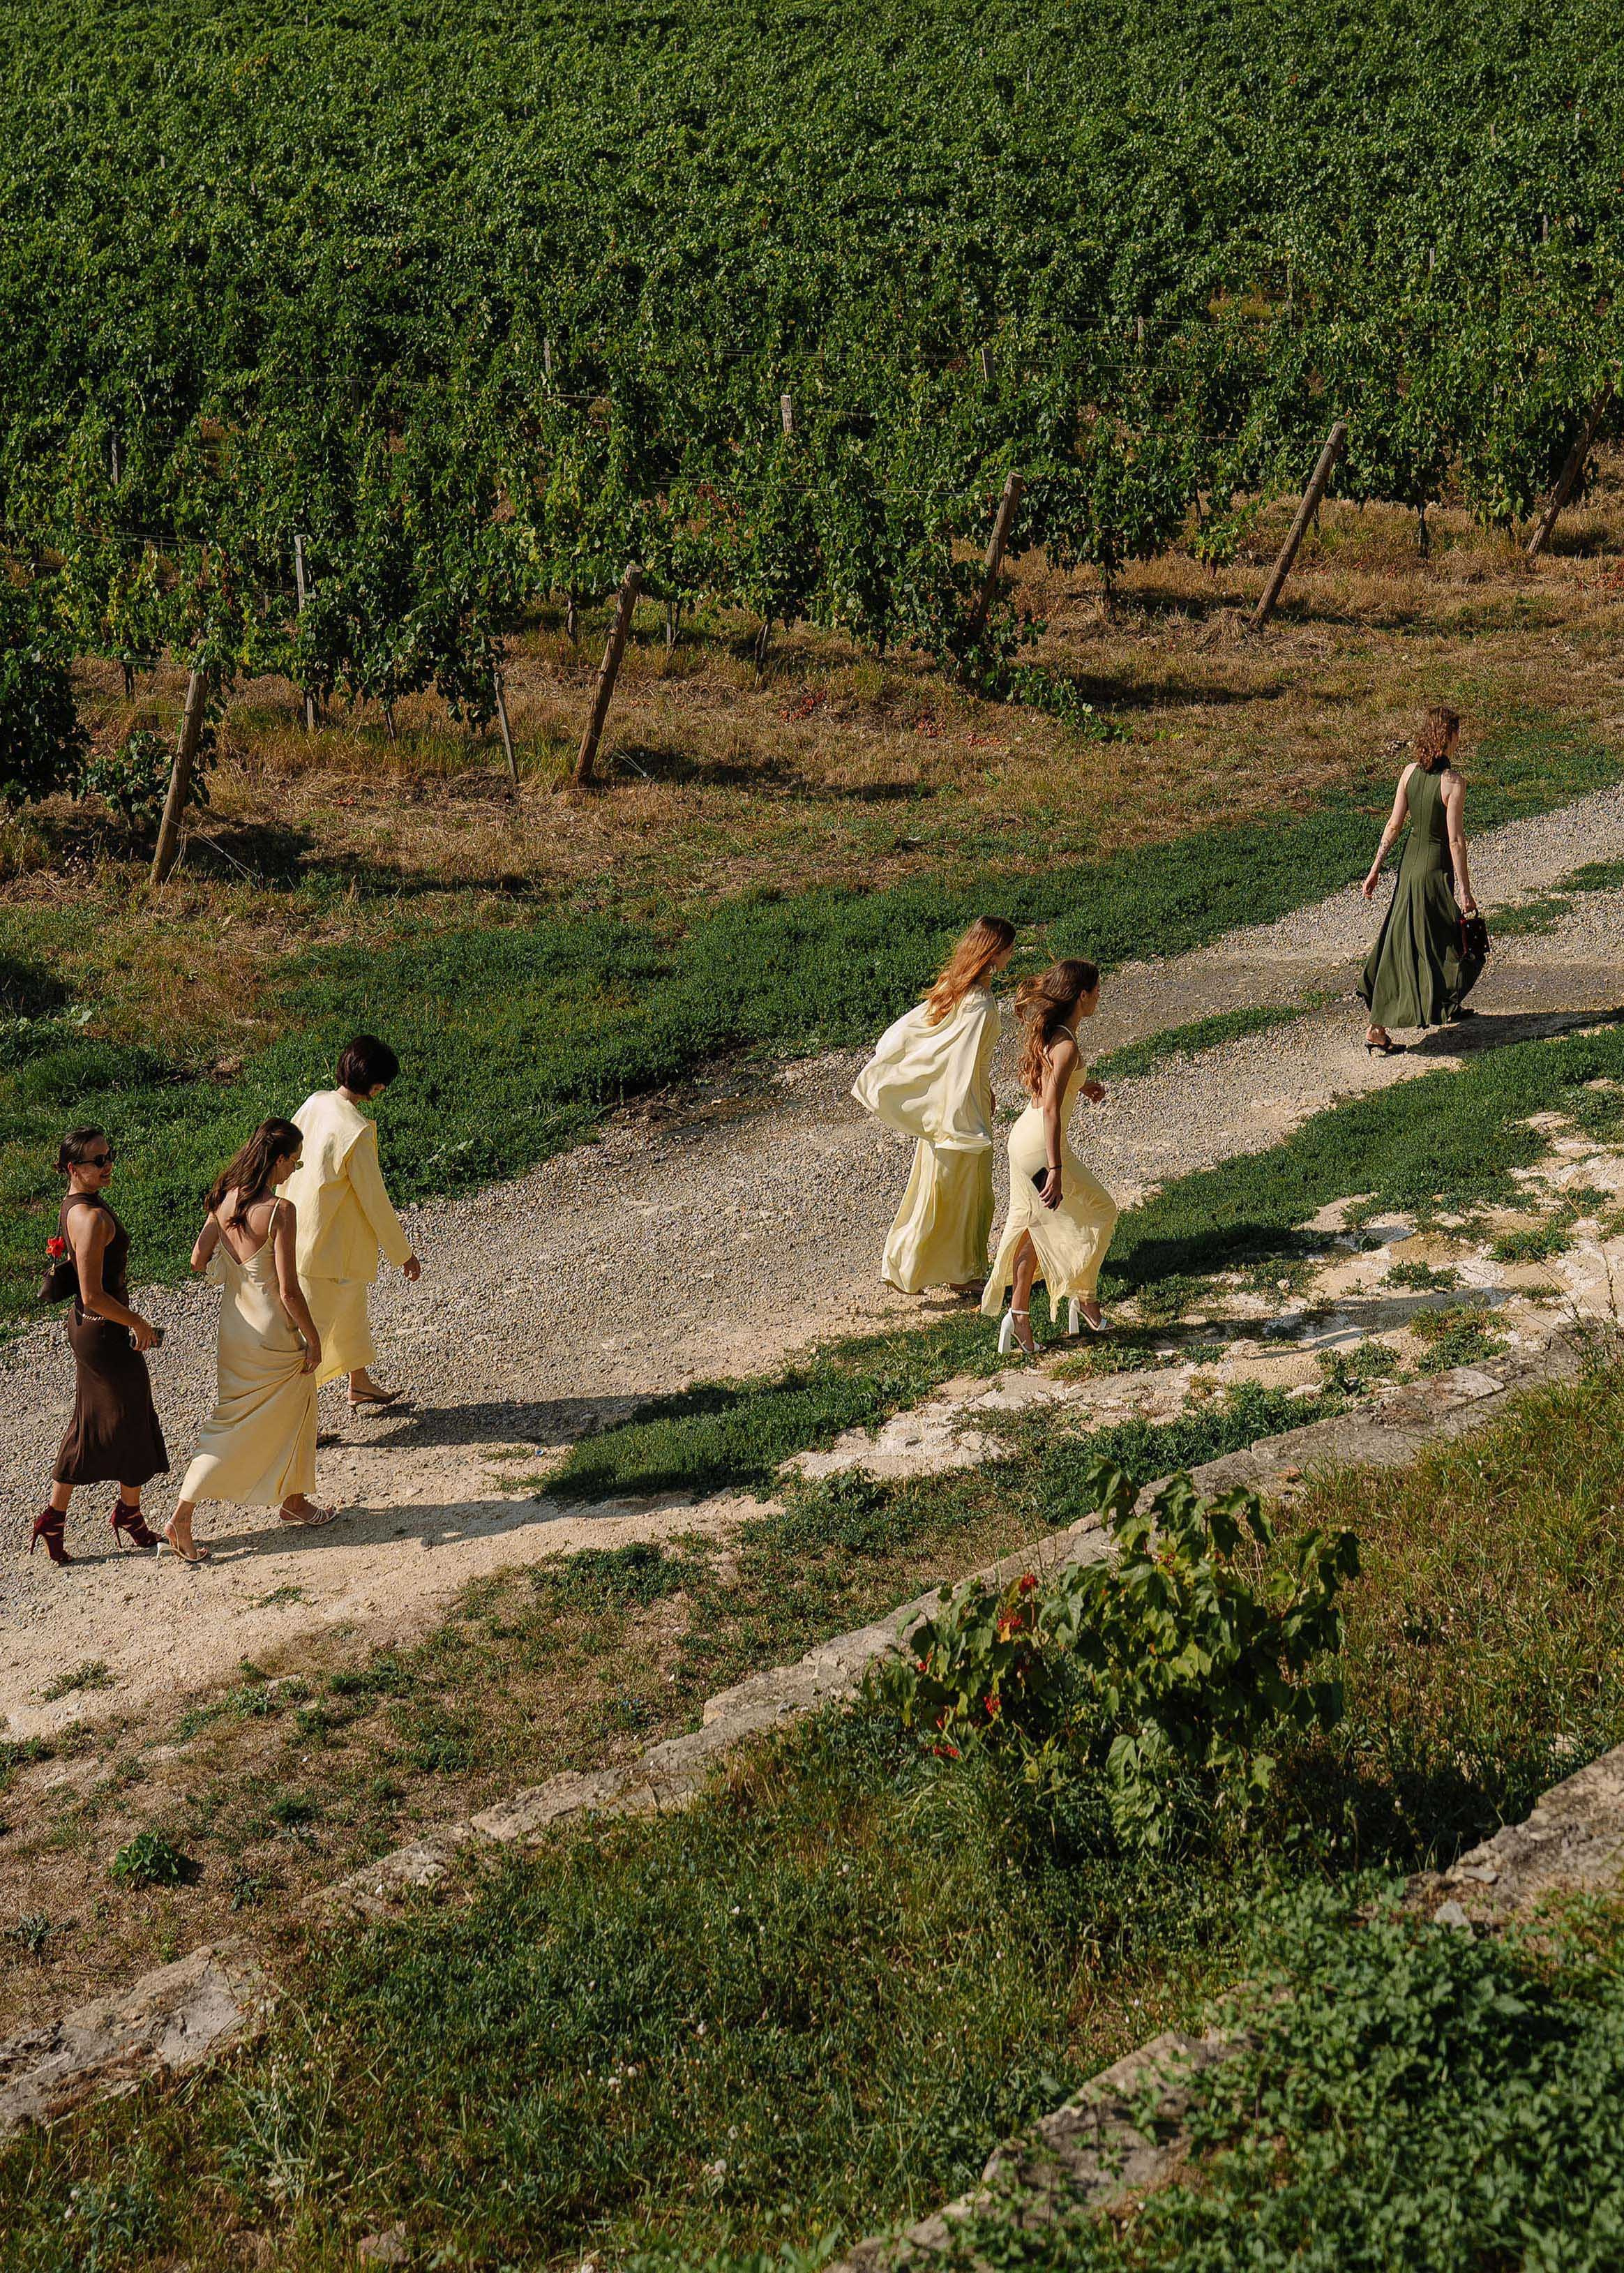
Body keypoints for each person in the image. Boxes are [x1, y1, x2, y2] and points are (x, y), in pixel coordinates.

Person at [164, 1120, 333, 1562]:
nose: (296, 1166)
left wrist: (231, 1248)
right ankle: (183, 1514)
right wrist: (313, 1339)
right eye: (294, 1158)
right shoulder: (280, 1210)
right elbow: (288, 1290)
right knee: (253, 1422)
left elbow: (198, 1260)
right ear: (278, 1158)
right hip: (271, 1332)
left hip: (234, 1330)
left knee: (239, 1415)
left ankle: (294, 1501)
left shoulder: (224, 1198)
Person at [852, 916, 1016, 1297]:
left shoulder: (953, 987)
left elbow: (919, 1038)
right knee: (964, 1195)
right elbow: (960, 1061)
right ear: (994, 952)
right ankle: (958, 1272)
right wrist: (965, 1116)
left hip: (954, 1104)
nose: (1012, 954)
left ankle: (924, 1264)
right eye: (1009, 947)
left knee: (941, 1189)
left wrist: (983, 1089)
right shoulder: (979, 1002)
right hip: (960, 1111)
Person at [32, 1127, 168, 1566]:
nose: (108, 1165)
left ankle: (61, 1518)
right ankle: (126, 1513)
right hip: (104, 1330)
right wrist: (140, 1323)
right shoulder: (88, 1217)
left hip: (91, 1328)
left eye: (110, 1155)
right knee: (127, 1417)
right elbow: (92, 1294)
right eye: (97, 1161)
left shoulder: (77, 1204)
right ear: (74, 1169)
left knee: (100, 1420)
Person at [982, 959, 1118, 1357]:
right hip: (1040, 1148)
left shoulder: (1057, 1036)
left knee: (1035, 1229)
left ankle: (1020, 1314)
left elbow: (1052, 1085)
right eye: (1096, 991)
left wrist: (1082, 1084)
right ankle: (1084, 1297)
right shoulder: (1067, 1043)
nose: (1099, 998)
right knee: (1102, 1210)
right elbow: (1051, 1110)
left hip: (1023, 1141)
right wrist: (1056, 1170)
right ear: (1082, 995)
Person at [281, 1035, 420, 1408]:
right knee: (315, 1334)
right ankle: (298, 1421)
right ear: (377, 1086)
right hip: (329, 1244)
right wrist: (403, 1254)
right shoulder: (355, 1130)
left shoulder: (315, 1103)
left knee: (350, 1312)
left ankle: (359, 1382)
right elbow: (374, 1198)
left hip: (299, 1227)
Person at [1360, 705, 1482, 1053]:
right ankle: (1377, 1027)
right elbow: (1455, 841)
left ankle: (1446, 1003)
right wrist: (1465, 888)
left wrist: (1375, 868)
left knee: (1407, 939)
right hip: (1433, 871)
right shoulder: (1453, 783)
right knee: (1445, 939)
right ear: (1449, 737)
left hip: (1409, 869)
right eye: (1457, 733)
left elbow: (1394, 825)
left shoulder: (1409, 772)